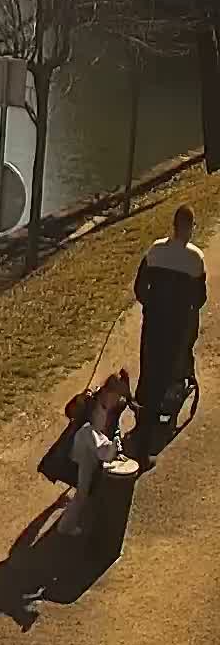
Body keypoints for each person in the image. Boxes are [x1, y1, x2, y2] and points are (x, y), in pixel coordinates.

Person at [135, 206, 208, 424]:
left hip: (155, 319)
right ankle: (174, 387)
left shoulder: (154, 251)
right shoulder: (196, 258)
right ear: (189, 228)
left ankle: (145, 398)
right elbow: (200, 298)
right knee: (183, 344)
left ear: (173, 226)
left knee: (150, 357)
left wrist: (151, 305)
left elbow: (140, 288)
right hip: (179, 322)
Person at [61, 372, 130, 538]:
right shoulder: (92, 403)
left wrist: (117, 448)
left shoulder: (112, 406)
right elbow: (71, 411)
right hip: (86, 447)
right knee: (82, 492)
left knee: (89, 485)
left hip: (93, 447)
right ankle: (66, 525)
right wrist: (80, 399)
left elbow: (113, 428)